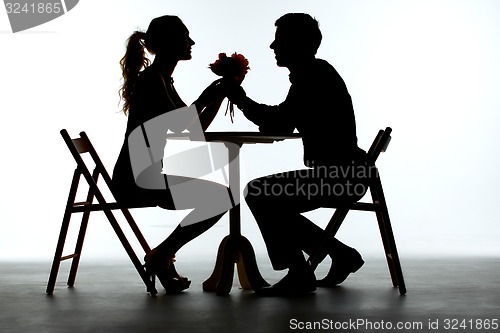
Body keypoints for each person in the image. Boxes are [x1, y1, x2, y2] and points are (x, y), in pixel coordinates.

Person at [227, 13, 369, 296]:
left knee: (260, 193)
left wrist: (240, 98)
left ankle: (299, 272)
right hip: (344, 174)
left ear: (295, 43)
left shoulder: (313, 77)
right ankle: (338, 255)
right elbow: (281, 120)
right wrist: (244, 101)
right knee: (266, 195)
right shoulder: (314, 74)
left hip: (339, 178)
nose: (271, 46)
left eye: (278, 39)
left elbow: (279, 122)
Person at [112, 15, 232, 294]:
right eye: (184, 37)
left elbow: (194, 131)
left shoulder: (161, 79)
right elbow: (184, 131)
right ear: (167, 44)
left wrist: (220, 95)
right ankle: (161, 256)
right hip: (138, 180)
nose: (191, 42)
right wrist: (207, 97)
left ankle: (162, 255)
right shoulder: (152, 81)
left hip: (147, 173)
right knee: (223, 195)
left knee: (223, 194)